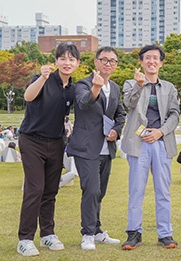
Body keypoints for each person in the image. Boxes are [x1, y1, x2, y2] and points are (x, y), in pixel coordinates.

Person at [16, 43, 80, 257]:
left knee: (51, 191)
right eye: (63, 58)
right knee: (35, 189)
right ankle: (25, 239)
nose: (67, 63)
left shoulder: (73, 88)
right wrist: (42, 78)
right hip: (31, 141)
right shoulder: (42, 78)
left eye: (71, 59)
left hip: (56, 142)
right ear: (56, 61)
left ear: (77, 63)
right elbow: (28, 97)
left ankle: (47, 234)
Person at [66, 46, 126, 250]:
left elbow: (120, 114)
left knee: (99, 192)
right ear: (96, 62)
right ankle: (88, 234)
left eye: (113, 61)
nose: (108, 64)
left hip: (105, 148)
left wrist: (117, 131)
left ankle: (98, 230)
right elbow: (83, 104)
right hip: (85, 148)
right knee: (91, 190)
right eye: (104, 60)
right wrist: (96, 88)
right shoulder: (83, 84)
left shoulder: (115, 88)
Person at [120, 44, 180, 250]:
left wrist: (160, 132)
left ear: (161, 62)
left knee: (163, 190)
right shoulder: (130, 83)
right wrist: (139, 85)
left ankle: (165, 234)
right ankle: (134, 233)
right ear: (141, 61)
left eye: (156, 58)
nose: (151, 61)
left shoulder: (169, 87)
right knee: (136, 189)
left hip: (161, 142)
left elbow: (175, 114)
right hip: (138, 143)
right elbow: (129, 103)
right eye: (147, 58)